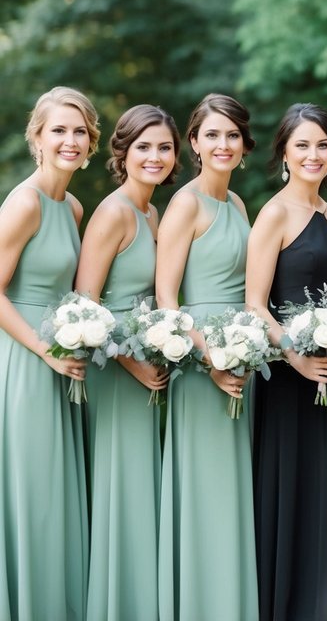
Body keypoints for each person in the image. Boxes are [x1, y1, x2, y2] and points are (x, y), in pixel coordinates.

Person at [247, 103, 327, 621]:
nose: (314, 155)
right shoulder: (273, 213)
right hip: (292, 380)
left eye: (323, 145)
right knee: (293, 494)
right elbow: (255, 304)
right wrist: (296, 359)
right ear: (285, 153)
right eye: (303, 145)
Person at [76, 104, 180, 621]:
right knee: (123, 492)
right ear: (123, 152)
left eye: (164, 147)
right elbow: (84, 305)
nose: (154, 157)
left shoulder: (152, 213)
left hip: (148, 369)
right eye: (144, 146)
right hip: (116, 374)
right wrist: (131, 363)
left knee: (144, 494)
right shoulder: (114, 212)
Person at [156, 93, 258, 621]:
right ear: (193, 143)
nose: (223, 144)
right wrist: (209, 359)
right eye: (212, 135)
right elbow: (166, 298)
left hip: (241, 360)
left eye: (232, 135)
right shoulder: (186, 204)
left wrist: (242, 349)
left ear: (244, 145)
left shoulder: (238, 205)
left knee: (235, 493)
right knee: (206, 493)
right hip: (201, 369)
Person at [0, 86, 98, 621]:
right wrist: (44, 351)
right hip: (26, 361)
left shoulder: (73, 206)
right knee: (33, 491)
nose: (69, 140)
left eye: (79, 131)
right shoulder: (25, 202)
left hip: (64, 359)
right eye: (58, 130)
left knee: (60, 492)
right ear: (36, 138)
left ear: (91, 143)